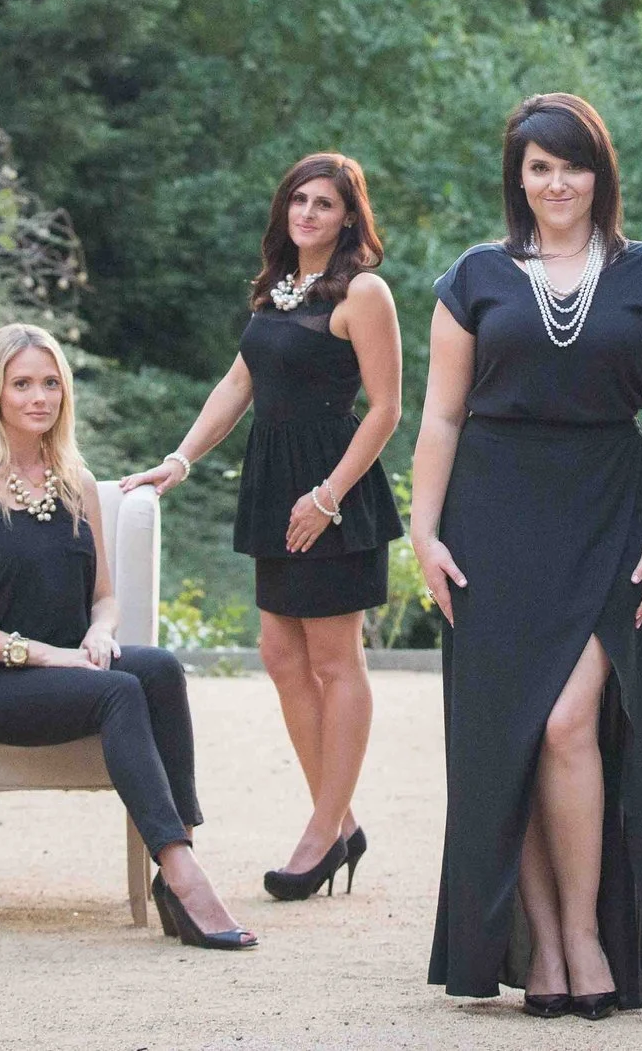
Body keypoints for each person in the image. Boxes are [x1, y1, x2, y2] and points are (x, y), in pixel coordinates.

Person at [414, 93, 642, 1019]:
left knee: (572, 721)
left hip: (606, 516)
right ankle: (542, 947)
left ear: (599, 172)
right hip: (489, 522)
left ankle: (584, 932)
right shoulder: (474, 277)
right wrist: (423, 530)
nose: (558, 181)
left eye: (573, 164)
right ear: (519, 177)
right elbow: (441, 416)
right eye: (540, 166)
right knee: (515, 733)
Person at [122, 153, 404, 898]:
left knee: (336, 660)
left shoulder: (364, 292)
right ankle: (340, 822)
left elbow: (386, 409)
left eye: (325, 203)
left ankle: (322, 830)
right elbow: (239, 381)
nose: (308, 213)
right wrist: (179, 459)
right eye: (298, 200)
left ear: (349, 217)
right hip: (273, 487)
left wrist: (328, 496)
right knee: (281, 656)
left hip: (333, 489)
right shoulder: (276, 291)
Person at [0, 325, 253, 951]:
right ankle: (183, 874)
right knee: (119, 692)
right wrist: (44, 654)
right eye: (22, 384)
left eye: (50, 383)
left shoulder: (75, 481)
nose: (38, 397)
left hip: (73, 669)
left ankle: (176, 860)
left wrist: (102, 631)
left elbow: (103, 595)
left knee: (159, 668)